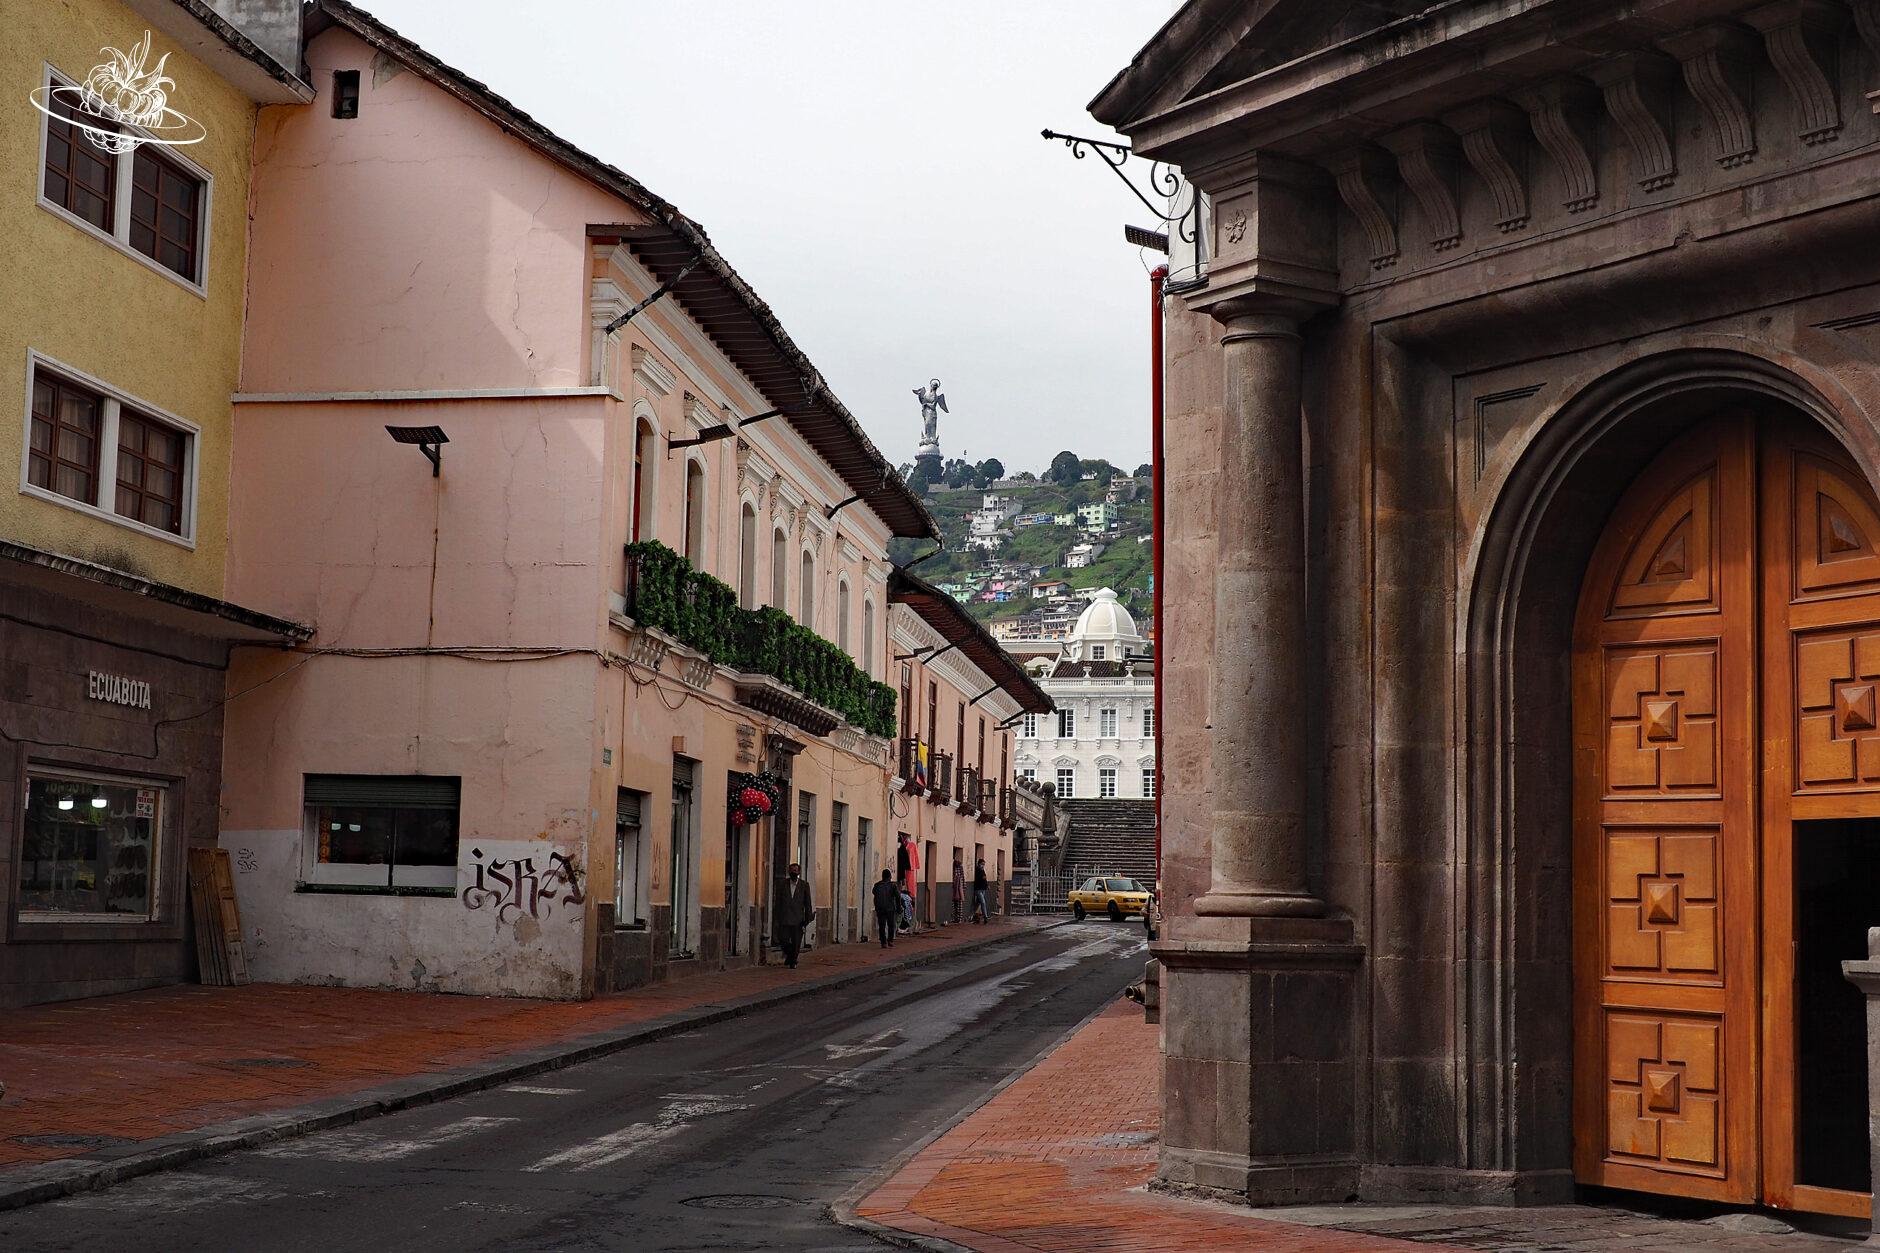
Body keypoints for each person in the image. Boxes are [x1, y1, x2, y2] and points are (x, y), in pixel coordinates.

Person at [777, 861, 812, 969]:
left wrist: (807, 918)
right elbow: (778, 901)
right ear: (789, 872)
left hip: (798, 918)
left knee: (796, 942)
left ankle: (793, 961)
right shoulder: (783, 884)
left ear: (799, 872)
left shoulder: (804, 885)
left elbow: (808, 903)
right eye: (792, 871)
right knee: (783, 939)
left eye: (795, 871)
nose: (793, 873)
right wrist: (777, 916)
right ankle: (790, 956)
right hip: (785, 917)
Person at [871, 869, 900, 949]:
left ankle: (883, 942)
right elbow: (898, 897)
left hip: (880, 908)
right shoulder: (893, 885)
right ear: (890, 877)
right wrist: (899, 907)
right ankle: (890, 940)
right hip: (890, 908)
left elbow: (873, 892)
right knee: (891, 925)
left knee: (882, 926)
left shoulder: (877, 885)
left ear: (882, 876)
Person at [972, 858, 990, 923]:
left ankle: (973, 914)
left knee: (978, 903)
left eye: (984, 864)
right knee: (983, 902)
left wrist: (987, 885)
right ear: (979, 864)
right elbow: (979, 879)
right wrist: (982, 878)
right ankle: (985, 917)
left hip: (983, 889)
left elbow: (985, 879)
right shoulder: (977, 870)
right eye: (982, 864)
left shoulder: (983, 870)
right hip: (978, 889)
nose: (983, 866)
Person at [951, 852, 966, 925]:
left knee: (959, 903)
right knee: (955, 903)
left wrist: (963, 886)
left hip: (959, 887)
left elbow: (962, 877)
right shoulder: (953, 867)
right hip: (956, 887)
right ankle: (955, 918)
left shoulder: (960, 867)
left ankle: (958, 918)